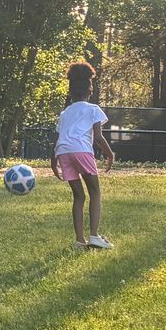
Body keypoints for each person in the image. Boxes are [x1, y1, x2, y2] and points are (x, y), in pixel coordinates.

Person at [51, 61, 116, 250]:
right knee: (95, 192)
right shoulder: (93, 109)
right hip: (82, 151)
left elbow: (58, 138)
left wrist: (53, 161)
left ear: (70, 92)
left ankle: (79, 241)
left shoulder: (65, 113)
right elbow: (98, 137)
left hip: (63, 153)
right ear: (90, 90)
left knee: (78, 196)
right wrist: (110, 154)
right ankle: (94, 236)